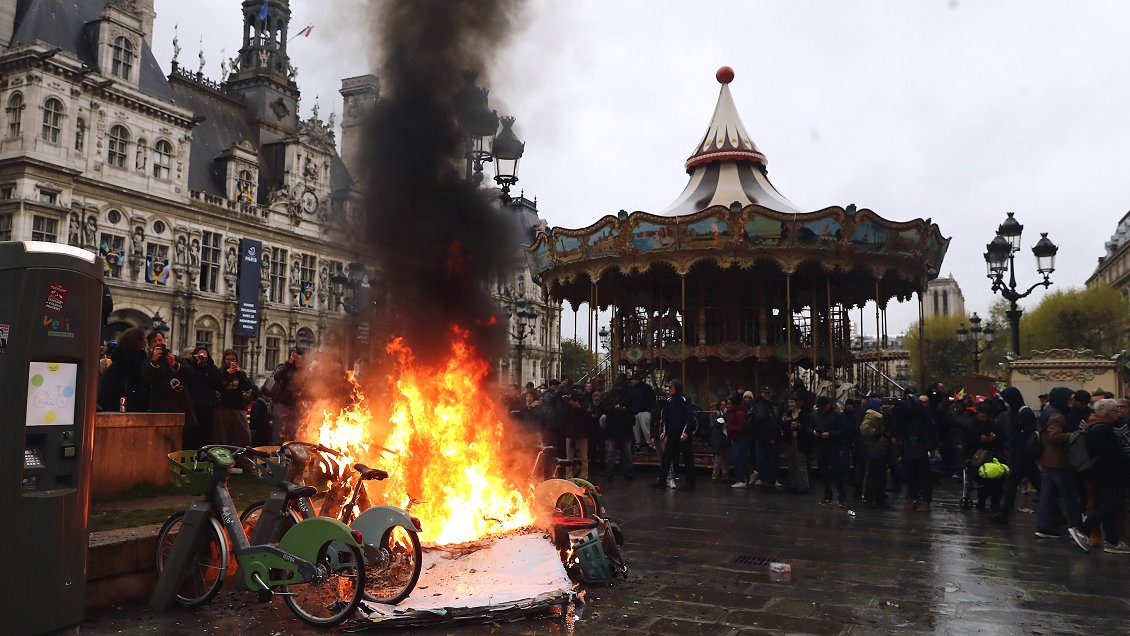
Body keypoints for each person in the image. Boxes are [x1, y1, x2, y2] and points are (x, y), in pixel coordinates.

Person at [1067, 399, 1130, 554]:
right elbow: (1111, 454)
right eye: (1115, 410)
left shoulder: (1094, 424)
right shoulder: (1102, 429)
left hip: (1102, 473)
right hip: (1109, 474)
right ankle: (1082, 529)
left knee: (1109, 506)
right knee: (1110, 507)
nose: (1117, 413)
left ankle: (1112, 541)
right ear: (1107, 412)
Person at [1035, 387, 1083, 539]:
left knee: (1047, 494)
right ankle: (1076, 527)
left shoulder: (1048, 410)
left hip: (1047, 458)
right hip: (1058, 460)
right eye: (1069, 398)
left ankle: (1044, 526)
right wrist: (1073, 435)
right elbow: (1054, 436)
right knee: (1070, 495)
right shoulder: (1057, 415)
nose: (1071, 402)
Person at [992, 387, 1040, 524]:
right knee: (1038, 484)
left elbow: (1028, 435)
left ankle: (1004, 513)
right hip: (1022, 456)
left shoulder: (1024, 412)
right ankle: (1057, 514)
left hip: (1023, 456)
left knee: (1011, 484)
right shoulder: (1016, 412)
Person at [143, 331, 198, 448]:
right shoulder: (148, 362)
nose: (158, 343)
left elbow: (190, 374)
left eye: (160, 340)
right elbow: (147, 379)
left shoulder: (177, 359)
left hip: (180, 404)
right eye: (154, 342)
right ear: (150, 345)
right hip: (161, 406)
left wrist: (174, 364)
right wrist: (154, 362)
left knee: (182, 442)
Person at [897, 388, 938, 512]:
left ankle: (925, 501)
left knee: (924, 477)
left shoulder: (925, 415)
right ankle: (912, 499)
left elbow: (930, 429)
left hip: (922, 449)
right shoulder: (906, 416)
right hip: (908, 448)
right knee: (910, 476)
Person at [653, 379, 697, 491]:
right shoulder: (669, 400)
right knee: (666, 457)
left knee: (687, 457)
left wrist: (686, 431)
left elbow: (689, 417)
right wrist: (665, 431)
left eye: (671, 387)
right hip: (672, 433)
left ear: (677, 387)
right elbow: (667, 418)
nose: (669, 389)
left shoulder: (685, 399)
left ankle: (690, 482)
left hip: (683, 434)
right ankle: (662, 481)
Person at [97, 327, 149, 413]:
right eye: (143, 338)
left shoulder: (119, 357)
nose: (146, 341)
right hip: (128, 400)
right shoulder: (134, 359)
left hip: (114, 400)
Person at [810, 396, 848, 507]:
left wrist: (830, 434)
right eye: (820, 407)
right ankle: (827, 496)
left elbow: (843, 430)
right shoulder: (814, 415)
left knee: (837, 472)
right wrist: (813, 432)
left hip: (834, 447)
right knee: (824, 472)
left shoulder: (837, 415)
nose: (822, 409)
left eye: (824, 407)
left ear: (828, 405)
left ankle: (842, 497)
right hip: (820, 446)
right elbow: (809, 427)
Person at [213, 349, 252, 446]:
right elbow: (216, 385)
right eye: (228, 359)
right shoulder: (220, 372)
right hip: (223, 406)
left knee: (243, 435)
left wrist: (239, 373)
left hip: (237, 406)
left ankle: (244, 454)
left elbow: (247, 386)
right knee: (221, 436)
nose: (230, 362)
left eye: (233, 359)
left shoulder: (240, 373)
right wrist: (227, 373)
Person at [859, 397, 892, 509]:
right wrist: (878, 434)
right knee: (876, 476)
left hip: (878, 449)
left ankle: (876, 499)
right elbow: (864, 429)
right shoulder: (872, 416)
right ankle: (873, 499)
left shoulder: (878, 416)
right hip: (875, 449)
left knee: (878, 476)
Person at [186, 345, 222, 444]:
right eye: (200, 354)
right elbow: (189, 377)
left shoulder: (211, 367)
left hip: (208, 404)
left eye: (205, 354)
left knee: (207, 431)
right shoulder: (191, 367)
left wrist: (205, 366)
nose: (202, 356)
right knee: (193, 432)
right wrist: (197, 364)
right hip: (194, 404)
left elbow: (217, 380)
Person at [602, 377, 635, 481]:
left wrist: (624, 409)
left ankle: (622, 472)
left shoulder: (625, 395)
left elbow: (633, 409)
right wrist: (614, 408)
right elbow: (605, 409)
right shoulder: (613, 395)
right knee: (616, 453)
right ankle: (613, 472)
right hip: (617, 428)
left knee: (623, 453)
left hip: (622, 428)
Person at [750, 386, 782, 492]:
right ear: (761, 393)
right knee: (769, 460)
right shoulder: (761, 405)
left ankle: (766, 481)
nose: (767, 395)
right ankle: (768, 482)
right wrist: (769, 437)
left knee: (767, 460)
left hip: (769, 437)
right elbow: (761, 423)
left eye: (769, 393)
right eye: (765, 393)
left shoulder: (768, 404)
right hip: (766, 438)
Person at [271, 348, 306, 443]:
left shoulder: (303, 371)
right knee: (279, 432)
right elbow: (277, 377)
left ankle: (290, 449)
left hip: (295, 405)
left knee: (293, 432)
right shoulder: (285, 367)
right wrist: (289, 363)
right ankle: (277, 450)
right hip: (282, 404)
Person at [782, 396, 812, 494]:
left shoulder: (803, 414)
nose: (790, 404)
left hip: (800, 441)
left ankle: (803, 486)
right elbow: (784, 428)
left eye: (792, 402)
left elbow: (808, 428)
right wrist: (784, 422)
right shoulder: (787, 414)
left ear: (797, 403)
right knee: (791, 464)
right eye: (789, 402)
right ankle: (793, 484)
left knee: (801, 464)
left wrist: (798, 426)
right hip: (790, 441)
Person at [563, 389, 593, 480]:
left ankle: (584, 476)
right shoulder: (568, 406)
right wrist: (569, 406)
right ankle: (569, 476)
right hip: (570, 433)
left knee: (583, 457)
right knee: (569, 457)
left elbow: (588, 416)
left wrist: (579, 407)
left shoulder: (584, 403)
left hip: (582, 434)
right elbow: (563, 416)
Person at [728, 392, 753, 488]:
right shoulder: (735, 412)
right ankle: (746, 475)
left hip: (740, 439)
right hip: (737, 439)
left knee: (739, 459)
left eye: (729, 403)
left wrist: (730, 428)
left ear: (734, 404)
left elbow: (743, 426)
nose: (728, 405)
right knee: (737, 458)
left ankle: (741, 479)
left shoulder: (739, 413)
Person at [628, 374, 656, 452]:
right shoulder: (634, 388)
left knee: (645, 429)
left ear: (636, 380)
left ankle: (647, 443)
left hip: (643, 411)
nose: (631, 381)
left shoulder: (644, 388)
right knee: (637, 429)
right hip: (638, 411)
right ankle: (641, 443)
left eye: (632, 379)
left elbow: (652, 398)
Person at [709, 398, 731, 482]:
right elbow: (718, 424)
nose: (723, 406)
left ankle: (725, 476)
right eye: (722, 404)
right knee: (718, 459)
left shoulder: (728, 414)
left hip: (726, 438)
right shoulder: (716, 414)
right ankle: (714, 476)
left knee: (726, 459)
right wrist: (724, 415)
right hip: (718, 439)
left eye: (725, 404)